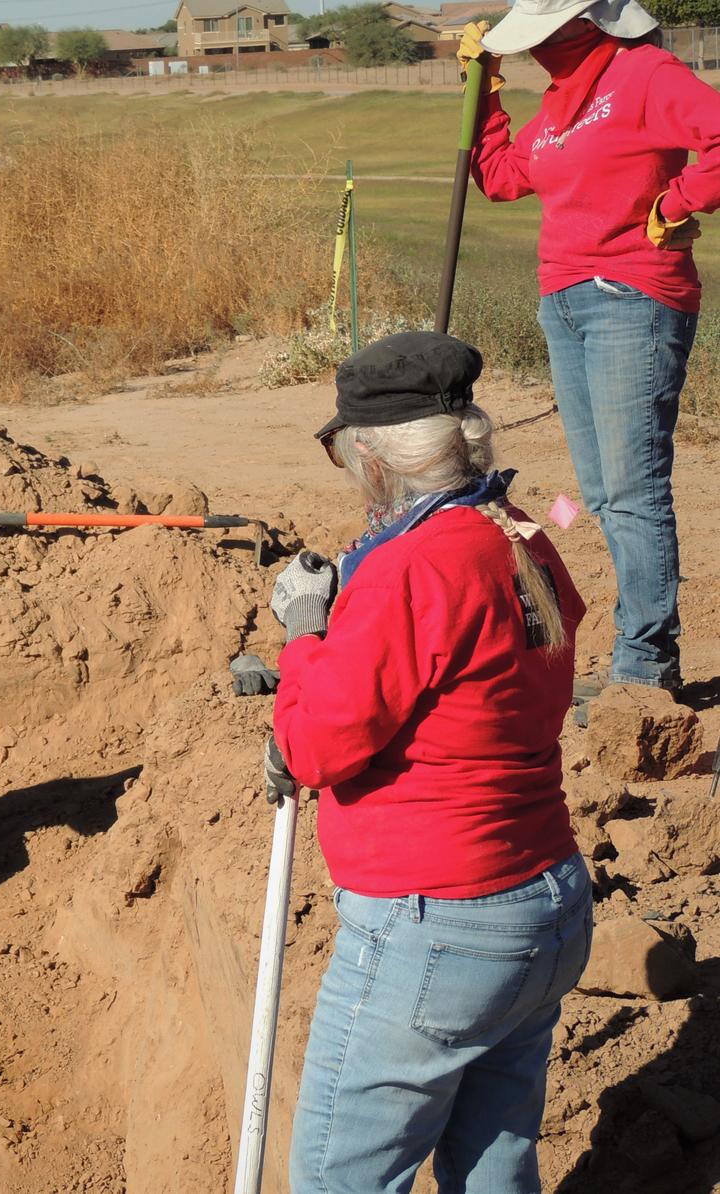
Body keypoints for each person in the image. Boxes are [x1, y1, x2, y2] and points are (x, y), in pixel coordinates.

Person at [266, 332, 592, 1193]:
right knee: (495, 1159)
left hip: (439, 925)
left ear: (374, 458)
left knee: (343, 1177)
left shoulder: (414, 566)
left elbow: (314, 745)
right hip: (544, 903)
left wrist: (306, 636)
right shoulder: (518, 530)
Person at [461, 0, 720, 697]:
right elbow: (500, 176)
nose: (535, 48)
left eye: (542, 34)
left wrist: (678, 202)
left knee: (633, 493)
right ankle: (638, 654)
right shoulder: (553, 107)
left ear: (583, 25)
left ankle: (644, 666)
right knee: (604, 493)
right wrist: (483, 93)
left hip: (632, 297)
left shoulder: (645, 74)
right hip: (564, 303)